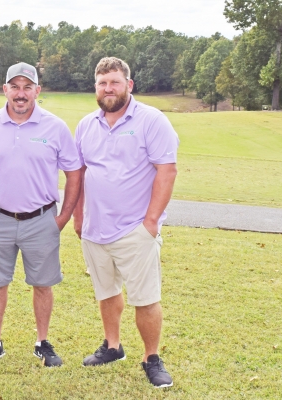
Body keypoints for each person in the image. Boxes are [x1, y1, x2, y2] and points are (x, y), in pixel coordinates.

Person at [73, 56, 178, 388]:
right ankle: (113, 346)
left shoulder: (151, 121)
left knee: (145, 298)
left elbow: (167, 170)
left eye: (115, 82)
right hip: (95, 228)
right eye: (102, 83)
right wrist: (79, 217)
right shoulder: (87, 125)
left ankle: (151, 357)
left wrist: (150, 222)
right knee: (106, 292)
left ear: (128, 85)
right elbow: (79, 175)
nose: (108, 89)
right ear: (95, 87)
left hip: (135, 229)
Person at [0, 62, 82, 367]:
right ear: (5, 89)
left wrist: (63, 217)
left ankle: (42, 342)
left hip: (41, 219)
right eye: (15, 87)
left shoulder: (55, 127)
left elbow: (74, 172)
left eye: (27, 87)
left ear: (37, 91)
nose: (21, 94)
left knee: (42, 283)